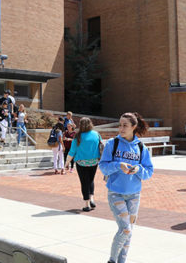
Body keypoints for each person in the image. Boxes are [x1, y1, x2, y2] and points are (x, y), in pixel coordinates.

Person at [99, 112, 154, 263]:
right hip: (116, 193)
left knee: (129, 233)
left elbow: (149, 171)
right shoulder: (112, 144)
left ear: (134, 127)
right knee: (125, 229)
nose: (121, 128)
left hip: (134, 195)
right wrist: (118, 165)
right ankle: (112, 260)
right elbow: (103, 167)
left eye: (125, 125)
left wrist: (138, 170)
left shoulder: (141, 147)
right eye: (120, 125)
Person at [65, 117, 101, 211]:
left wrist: (66, 163)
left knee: (84, 182)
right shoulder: (96, 134)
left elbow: (72, 152)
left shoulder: (78, 136)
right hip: (94, 162)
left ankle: (87, 204)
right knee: (91, 180)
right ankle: (92, 198)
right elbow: (100, 146)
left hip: (82, 163)